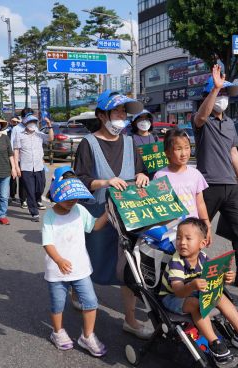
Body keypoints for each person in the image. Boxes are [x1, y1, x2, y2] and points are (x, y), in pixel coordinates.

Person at [73, 89, 153, 339]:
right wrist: (105, 182)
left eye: (123, 112)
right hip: (98, 212)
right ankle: (77, 291)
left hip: (127, 214)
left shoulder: (130, 142)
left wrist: (142, 175)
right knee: (90, 259)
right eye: (116, 111)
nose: (120, 116)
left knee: (129, 265)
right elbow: (81, 179)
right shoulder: (88, 143)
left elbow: (141, 171)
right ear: (101, 115)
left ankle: (130, 319)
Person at [193, 64, 238, 294]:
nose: (223, 98)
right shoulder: (202, 122)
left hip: (230, 186)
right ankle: (189, 273)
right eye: (219, 94)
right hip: (208, 185)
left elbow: (233, 151)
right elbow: (202, 115)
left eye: (224, 94)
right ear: (209, 96)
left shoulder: (230, 123)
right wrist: (215, 87)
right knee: (199, 231)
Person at [159, 218, 238, 364]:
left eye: (188, 238)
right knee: (196, 304)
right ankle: (214, 343)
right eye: (179, 238)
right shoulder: (177, 262)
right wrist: (192, 286)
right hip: (172, 297)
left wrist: (226, 278)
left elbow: (213, 280)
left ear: (202, 243)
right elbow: (179, 292)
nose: (182, 242)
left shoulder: (204, 258)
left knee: (221, 295)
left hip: (193, 291)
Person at [42, 167, 109, 356]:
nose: (72, 201)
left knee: (91, 302)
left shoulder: (79, 209)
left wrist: (108, 213)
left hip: (80, 268)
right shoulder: (50, 216)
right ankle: (57, 332)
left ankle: (87, 336)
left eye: (75, 197)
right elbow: (47, 242)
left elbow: (94, 226)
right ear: (56, 193)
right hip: (56, 271)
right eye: (68, 197)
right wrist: (58, 259)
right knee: (57, 305)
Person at [154, 128, 212, 240]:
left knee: (192, 257)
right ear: (167, 152)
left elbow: (200, 203)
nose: (184, 153)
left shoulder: (195, 174)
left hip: (193, 230)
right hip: (170, 231)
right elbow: (158, 206)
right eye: (178, 149)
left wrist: (207, 225)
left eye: (187, 148)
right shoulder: (160, 176)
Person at [13, 113, 54, 222]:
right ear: (25, 123)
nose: (32, 124)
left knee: (39, 188)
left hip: (39, 167)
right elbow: (16, 150)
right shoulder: (19, 135)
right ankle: (34, 213)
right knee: (30, 190)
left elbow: (50, 138)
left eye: (34, 122)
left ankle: (36, 201)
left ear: (36, 124)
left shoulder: (39, 134)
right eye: (29, 122)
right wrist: (16, 167)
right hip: (26, 167)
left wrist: (49, 125)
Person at [8, 116, 26, 204]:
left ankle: (23, 198)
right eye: (13, 121)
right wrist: (11, 155)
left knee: (22, 178)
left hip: (25, 158)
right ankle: (12, 195)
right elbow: (11, 142)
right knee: (13, 177)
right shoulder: (11, 129)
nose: (14, 122)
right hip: (14, 156)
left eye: (16, 121)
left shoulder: (27, 128)